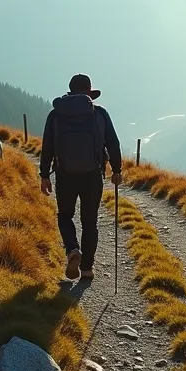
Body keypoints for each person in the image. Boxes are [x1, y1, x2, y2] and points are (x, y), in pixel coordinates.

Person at [39, 73, 122, 280]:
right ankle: (86, 268)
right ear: (88, 92)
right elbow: (112, 143)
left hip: (65, 175)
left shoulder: (56, 115)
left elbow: (47, 147)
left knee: (65, 216)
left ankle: (72, 250)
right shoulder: (99, 113)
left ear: (70, 91)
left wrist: (44, 175)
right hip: (92, 175)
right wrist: (117, 170)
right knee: (89, 221)